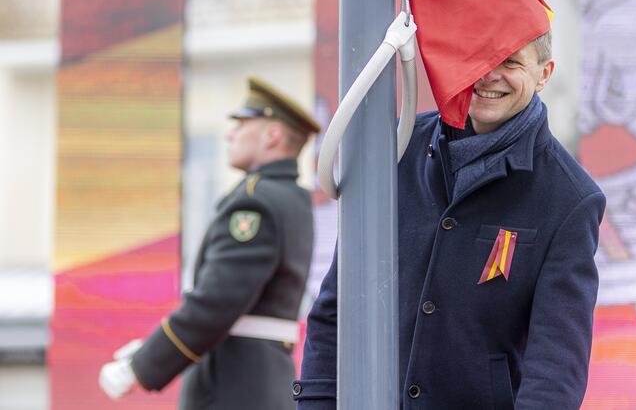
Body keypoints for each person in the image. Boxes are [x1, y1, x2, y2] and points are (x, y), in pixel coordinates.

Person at [294, 31, 606, 409]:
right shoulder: (395, 147)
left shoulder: (569, 197)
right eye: (479, 54)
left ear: (544, 74)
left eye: (510, 61)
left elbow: (555, 369)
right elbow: (337, 309)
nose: (489, 74)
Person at [99, 76, 321, 410]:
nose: (230, 134)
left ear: (272, 135)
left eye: (242, 123)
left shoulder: (255, 202)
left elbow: (217, 300)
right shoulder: (292, 199)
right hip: (260, 380)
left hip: (232, 387)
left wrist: (142, 366)